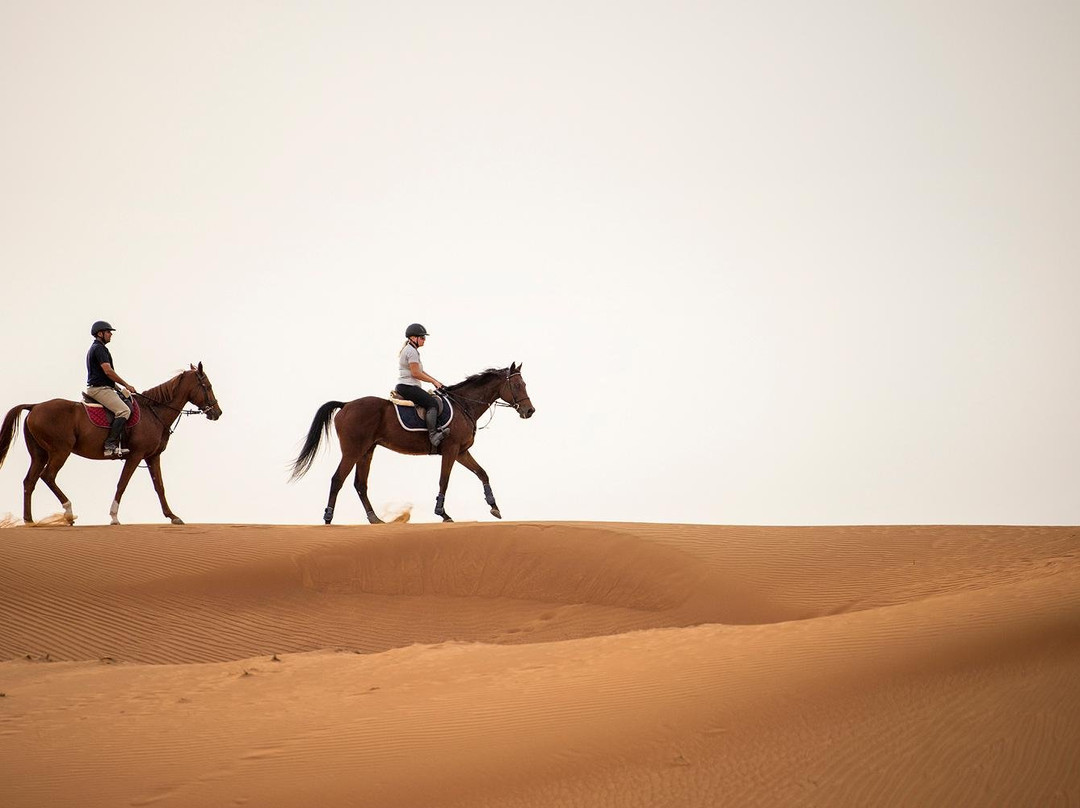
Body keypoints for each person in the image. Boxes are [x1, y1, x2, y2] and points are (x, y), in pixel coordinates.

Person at [86, 320, 139, 458]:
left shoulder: (98, 348)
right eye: (108, 332)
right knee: (124, 410)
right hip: (99, 389)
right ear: (100, 333)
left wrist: (119, 388)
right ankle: (110, 444)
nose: (110, 334)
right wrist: (126, 385)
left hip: (103, 387)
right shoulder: (99, 349)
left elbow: (104, 376)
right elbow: (108, 371)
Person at [395, 323, 447, 449]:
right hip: (407, 387)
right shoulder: (411, 351)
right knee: (432, 403)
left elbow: (421, 372)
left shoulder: (412, 350)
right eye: (422, 337)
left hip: (409, 386)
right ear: (413, 338)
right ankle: (433, 436)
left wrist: (435, 381)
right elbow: (415, 373)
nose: (424, 340)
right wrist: (433, 382)